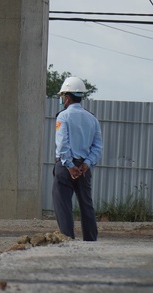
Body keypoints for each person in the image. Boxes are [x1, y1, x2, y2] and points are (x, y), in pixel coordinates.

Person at [52, 76, 103, 240]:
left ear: (67, 98)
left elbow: (62, 144)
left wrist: (69, 164)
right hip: (84, 169)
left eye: (62, 97)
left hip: (66, 167)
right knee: (86, 205)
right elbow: (97, 147)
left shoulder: (63, 117)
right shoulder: (92, 119)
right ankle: (91, 240)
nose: (62, 100)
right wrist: (86, 164)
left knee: (63, 206)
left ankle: (67, 240)